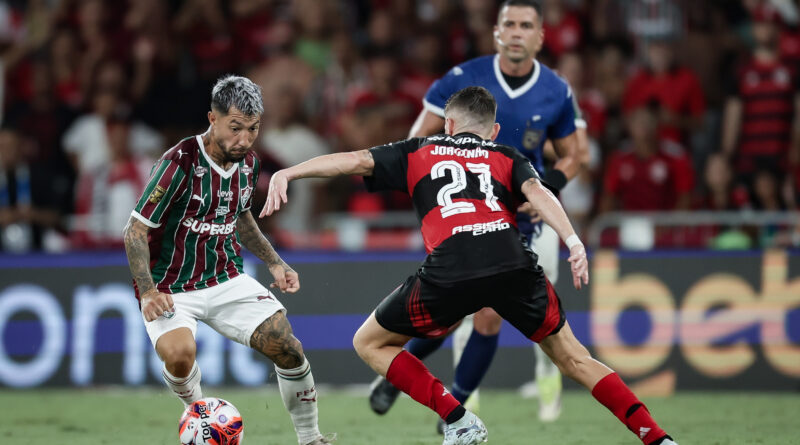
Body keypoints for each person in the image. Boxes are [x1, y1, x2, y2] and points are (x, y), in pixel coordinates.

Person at [261, 86, 677, 445]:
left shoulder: (419, 151)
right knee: (575, 358)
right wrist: (573, 241)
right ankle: (657, 436)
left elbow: (351, 160)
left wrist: (289, 174)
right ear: (492, 130)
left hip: (452, 264)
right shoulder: (506, 155)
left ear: (448, 125)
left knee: (370, 342)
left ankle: (458, 419)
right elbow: (539, 192)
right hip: (511, 260)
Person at [370, 0, 588, 425]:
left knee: (488, 316)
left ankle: (458, 401)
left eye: (527, 25)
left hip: (522, 217)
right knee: (454, 312)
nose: (517, 32)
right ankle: (406, 381)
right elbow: (418, 138)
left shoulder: (556, 90)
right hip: (463, 212)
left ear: (541, 36)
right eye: (509, 24)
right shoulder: (462, 79)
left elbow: (572, 156)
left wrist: (544, 191)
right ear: (496, 32)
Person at [122, 75, 333, 445]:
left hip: (225, 277)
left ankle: (311, 438)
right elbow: (134, 231)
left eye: (253, 129)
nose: (244, 139)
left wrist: (275, 262)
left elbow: (240, 215)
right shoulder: (179, 163)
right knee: (179, 355)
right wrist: (149, 291)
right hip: (171, 286)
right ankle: (201, 417)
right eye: (235, 128)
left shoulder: (248, 163)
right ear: (213, 118)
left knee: (286, 345)